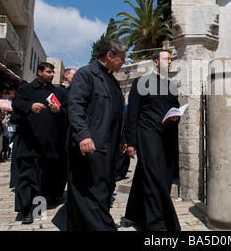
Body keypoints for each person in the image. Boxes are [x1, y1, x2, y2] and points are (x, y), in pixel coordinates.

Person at [61, 39, 127, 231]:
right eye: (122, 58)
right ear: (109, 55)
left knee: (102, 189)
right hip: (90, 145)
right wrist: (83, 135)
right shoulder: (86, 74)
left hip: (108, 146)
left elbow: (116, 113)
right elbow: (75, 107)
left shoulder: (112, 80)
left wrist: (122, 138)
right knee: (91, 192)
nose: (124, 62)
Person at [124, 49, 181, 231]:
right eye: (166, 59)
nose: (170, 62)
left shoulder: (172, 85)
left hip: (166, 138)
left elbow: (176, 108)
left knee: (146, 174)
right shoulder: (141, 82)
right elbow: (132, 113)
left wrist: (176, 116)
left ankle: (133, 214)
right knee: (155, 177)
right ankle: (156, 222)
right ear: (156, 62)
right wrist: (131, 141)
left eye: (171, 59)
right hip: (148, 135)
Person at [12, 62, 69, 224]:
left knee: (43, 180)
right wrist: (30, 106)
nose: (51, 75)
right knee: (27, 178)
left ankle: (37, 210)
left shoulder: (59, 93)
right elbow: (16, 104)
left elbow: (68, 112)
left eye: (53, 72)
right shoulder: (26, 90)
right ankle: (26, 211)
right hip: (29, 143)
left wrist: (59, 111)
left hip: (50, 145)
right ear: (39, 72)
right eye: (48, 72)